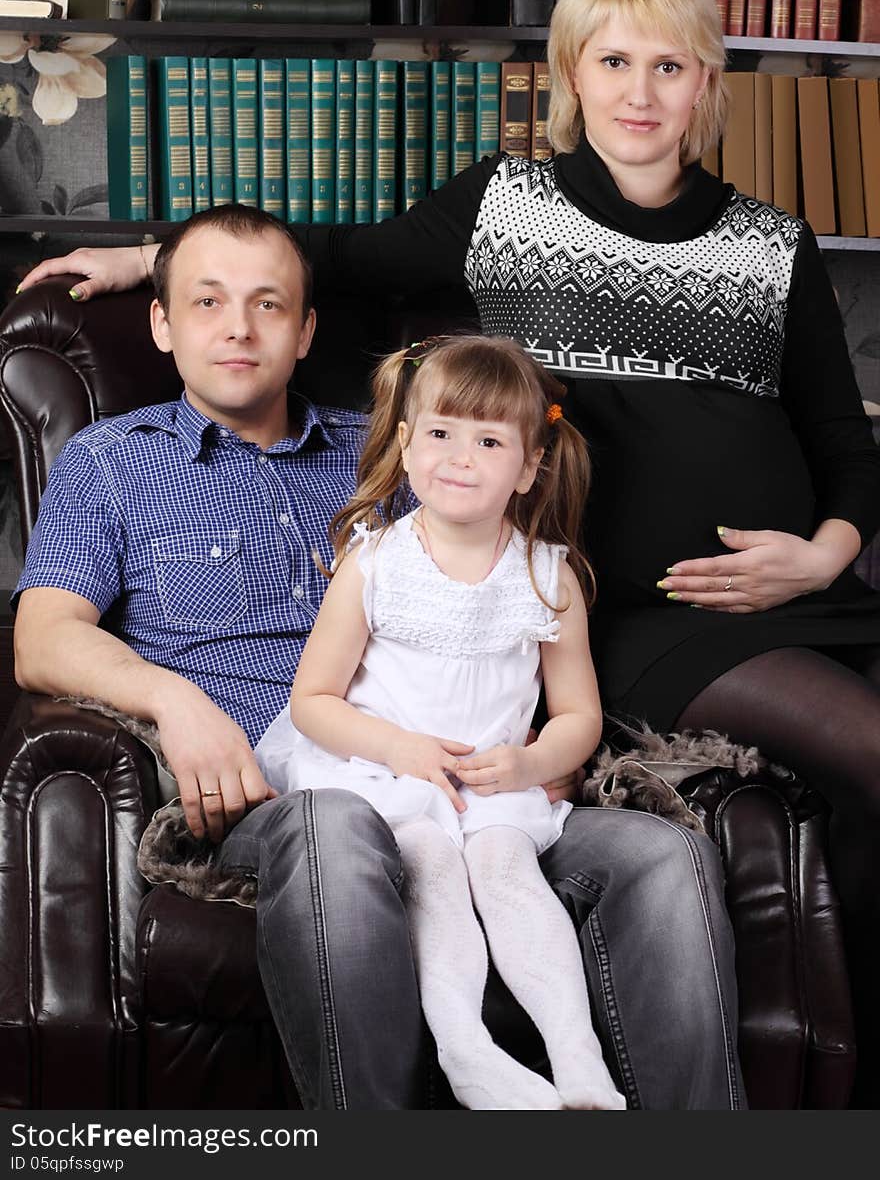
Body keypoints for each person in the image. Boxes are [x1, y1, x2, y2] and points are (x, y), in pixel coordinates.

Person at [12, 199, 745, 1111]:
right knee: (335, 826)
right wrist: (173, 701)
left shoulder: (399, 457)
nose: (238, 327)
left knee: (661, 856)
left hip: (468, 781)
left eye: (268, 304)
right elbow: (42, 639)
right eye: (205, 303)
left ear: (307, 327)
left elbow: (511, 587)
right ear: (161, 323)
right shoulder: (111, 460)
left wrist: (538, 750)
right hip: (269, 786)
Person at [257, 334, 626, 1110]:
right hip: (382, 768)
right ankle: (466, 1048)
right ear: (405, 443)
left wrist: (529, 764)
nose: (460, 457)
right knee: (430, 864)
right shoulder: (376, 561)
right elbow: (313, 700)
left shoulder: (548, 576)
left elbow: (579, 716)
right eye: (440, 434)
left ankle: (576, 1053)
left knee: (507, 872)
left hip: (490, 781)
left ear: (529, 466)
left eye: (490, 441)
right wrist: (399, 747)